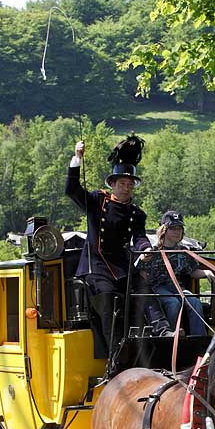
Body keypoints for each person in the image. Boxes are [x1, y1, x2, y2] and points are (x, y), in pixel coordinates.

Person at [66, 138, 151, 361]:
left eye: (130, 184)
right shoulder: (97, 201)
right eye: (122, 183)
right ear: (112, 184)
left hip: (121, 266)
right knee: (109, 300)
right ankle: (114, 357)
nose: (127, 188)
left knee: (144, 291)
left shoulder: (136, 213)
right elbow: (72, 189)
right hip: (96, 265)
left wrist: (145, 249)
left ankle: (156, 335)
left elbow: (139, 237)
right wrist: (77, 158)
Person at [142, 211, 213, 336]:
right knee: (173, 303)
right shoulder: (153, 251)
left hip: (177, 287)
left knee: (195, 302)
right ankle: (172, 336)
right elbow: (141, 270)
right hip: (158, 287)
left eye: (179, 228)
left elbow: (191, 271)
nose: (177, 231)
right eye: (173, 228)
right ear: (164, 230)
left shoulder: (184, 251)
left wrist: (205, 272)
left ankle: (199, 337)